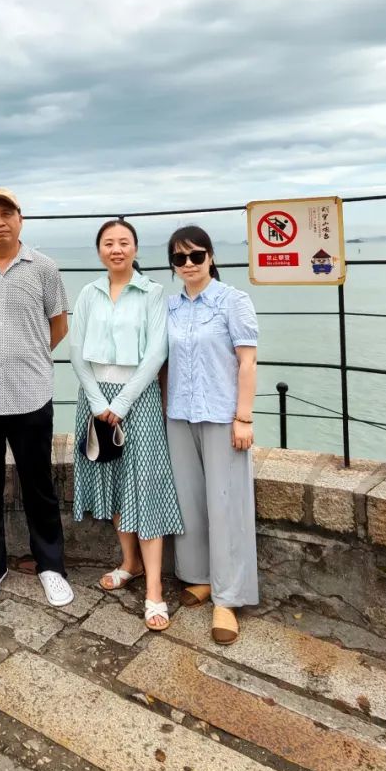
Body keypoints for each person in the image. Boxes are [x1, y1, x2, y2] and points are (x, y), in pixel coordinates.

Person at [0, 188, 73, 607]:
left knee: (39, 484)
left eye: (7, 213)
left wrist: (30, 355)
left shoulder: (44, 268)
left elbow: (59, 325)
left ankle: (51, 566)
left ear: (21, 219)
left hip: (31, 393)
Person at [69, 219, 182, 630]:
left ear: (135, 248)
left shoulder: (152, 292)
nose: (116, 249)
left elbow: (156, 353)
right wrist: (99, 401)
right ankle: (129, 563)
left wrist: (121, 402)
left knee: (144, 487)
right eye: (108, 243)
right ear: (100, 250)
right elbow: (76, 350)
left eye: (123, 242)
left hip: (139, 399)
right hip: (95, 398)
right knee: (114, 482)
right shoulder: (89, 292)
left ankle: (154, 588)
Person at [165, 224, 259, 644]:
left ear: (211, 257)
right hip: (178, 414)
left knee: (226, 505)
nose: (188, 264)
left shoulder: (232, 301)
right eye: (179, 257)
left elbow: (247, 361)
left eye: (196, 255)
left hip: (222, 415)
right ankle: (200, 576)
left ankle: (228, 597)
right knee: (190, 501)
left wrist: (244, 418)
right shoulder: (170, 307)